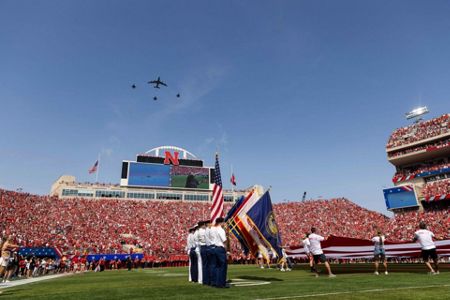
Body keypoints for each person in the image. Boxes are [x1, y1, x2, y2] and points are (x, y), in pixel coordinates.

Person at [210, 218, 229, 288]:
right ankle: (221, 283)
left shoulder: (213, 229)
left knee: (217, 266)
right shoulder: (220, 230)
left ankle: (216, 282)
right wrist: (226, 250)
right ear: (221, 222)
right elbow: (224, 241)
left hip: (214, 248)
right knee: (222, 266)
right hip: (220, 248)